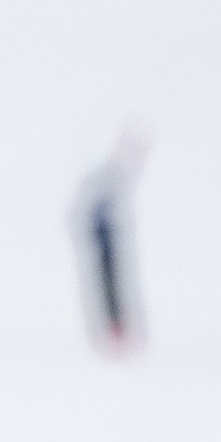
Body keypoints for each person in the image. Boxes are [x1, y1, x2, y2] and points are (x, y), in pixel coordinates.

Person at [76, 134, 147, 347]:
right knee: (110, 286)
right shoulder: (108, 176)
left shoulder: (114, 177)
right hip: (105, 245)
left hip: (108, 244)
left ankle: (119, 327)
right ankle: (115, 327)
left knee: (114, 285)